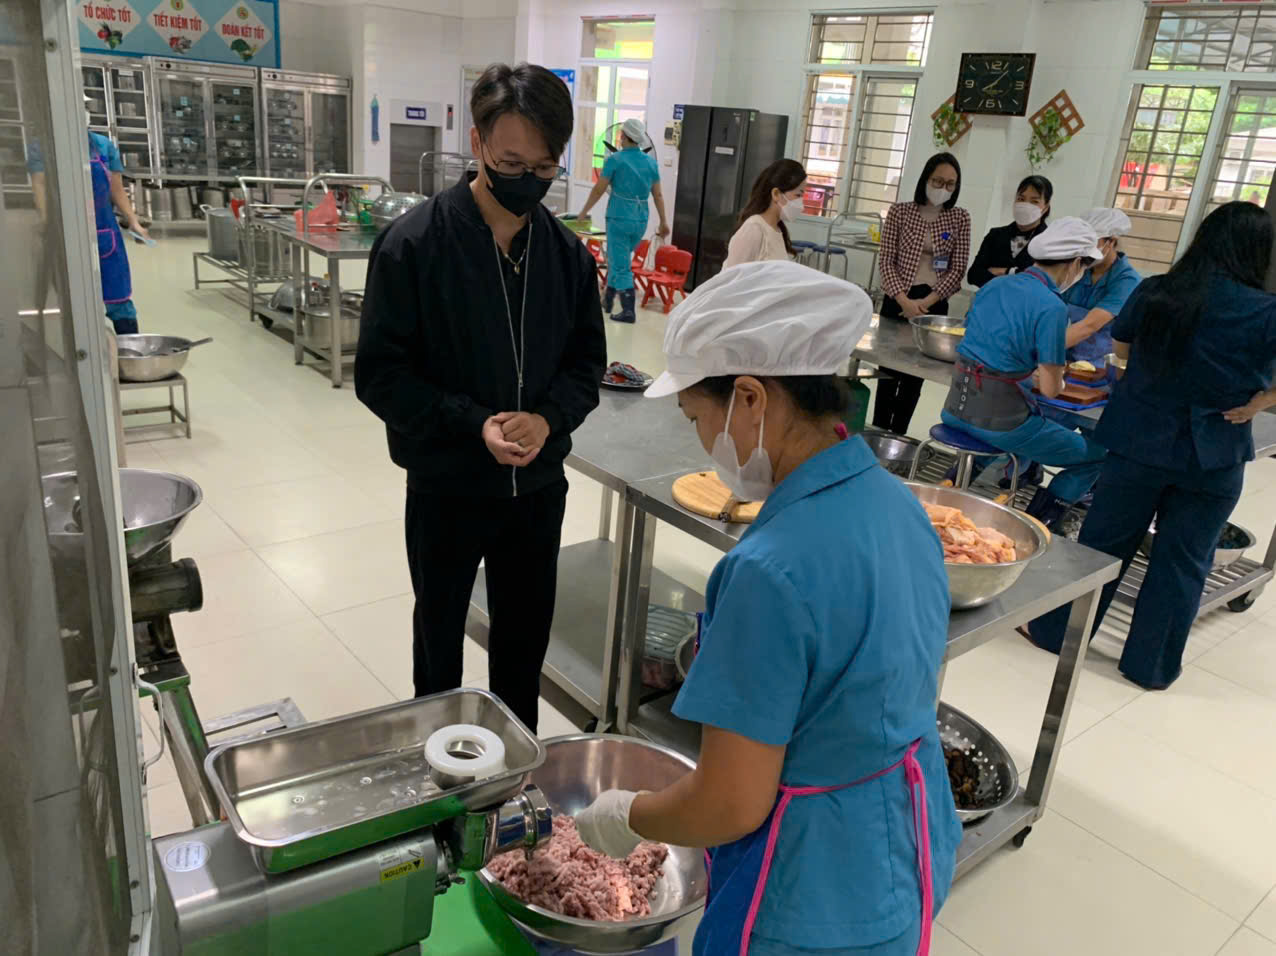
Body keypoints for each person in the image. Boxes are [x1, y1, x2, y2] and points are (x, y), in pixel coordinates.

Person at [574, 259, 962, 956]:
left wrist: (628, 816)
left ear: (750, 398)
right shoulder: (898, 504)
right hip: (906, 844)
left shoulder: (768, 571)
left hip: (810, 893)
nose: (701, 439)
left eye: (698, 416)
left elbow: (730, 802)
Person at [355, 63, 607, 732]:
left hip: (537, 492)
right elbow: (380, 374)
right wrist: (472, 424)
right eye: (511, 163)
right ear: (478, 143)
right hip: (447, 487)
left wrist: (547, 419)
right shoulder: (415, 246)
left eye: (544, 167)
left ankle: (513, 775)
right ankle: (440, 767)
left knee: (523, 648)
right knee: (439, 642)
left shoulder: (567, 258)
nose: (527, 180)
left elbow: (586, 365)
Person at [1027, 202, 1276, 690]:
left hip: (1140, 438)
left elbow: (1121, 348)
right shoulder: (1267, 311)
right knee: (1184, 561)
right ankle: (1150, 667)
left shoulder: (1158, 291)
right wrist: (1259, 402)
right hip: (1214, 449)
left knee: (1103, 545)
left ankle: (1060, 635)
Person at [940, 217, 1109, 529]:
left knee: (998, 434)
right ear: (1075, 263)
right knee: (1099, 456)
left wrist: (1022, 372)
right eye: (1084, 267)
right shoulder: (1052, 307)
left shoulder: (994, 286)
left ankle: (946, 490)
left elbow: (986, 350)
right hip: (1002, 425)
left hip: (953, 410)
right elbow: (1051, 389)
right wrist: (1054, 376)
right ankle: (1037, 523)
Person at [27, 102, 150, 334]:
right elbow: (40, 184)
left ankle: (129, 348)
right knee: (74, 299)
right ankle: (84, 350)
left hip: (104, 232)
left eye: (83, 106)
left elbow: (116, 188)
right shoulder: (42, 146)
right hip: (64, 232)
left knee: (119, 300)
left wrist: (133, 221)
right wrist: (45, 221)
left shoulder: (102, 145)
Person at [876, 152, 971, 434]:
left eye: (950, 184)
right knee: (887, 372)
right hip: (898, 299)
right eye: (938, 181)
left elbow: (957, 268)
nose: (943, 188)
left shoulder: (959, 218)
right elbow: (886, 260)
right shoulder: (900, 212)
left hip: (933, 304)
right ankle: (878, 433)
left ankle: (898, 436)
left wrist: (926, 303)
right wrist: (904, 300)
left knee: (914, 376)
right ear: (926, 179)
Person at [577, 118, 669, 323]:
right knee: (618, 259)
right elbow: (658, 195)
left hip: (619, 218)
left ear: (624, 136)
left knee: (621, 265)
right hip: (641, 220)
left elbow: (599, 189)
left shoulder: (615, 160)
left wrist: (583, 212)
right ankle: (608, 300)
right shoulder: (651, 163)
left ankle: (628, 310)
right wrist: (664, 221)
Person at [1060, 207, 1142, 366]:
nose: (1085, 248)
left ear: (1111, 242)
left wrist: (1044, 349)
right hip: (1067, 357)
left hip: (1101, 367)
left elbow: (1089, 326)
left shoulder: (1126, 281)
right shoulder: (1079, 270)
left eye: (1092, 241)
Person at [966, 174, 1052, 288]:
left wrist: (1005, 271)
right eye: (1021, 199)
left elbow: (1038, 283)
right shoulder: (995, 235)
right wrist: (1017, 274)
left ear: (1045, 207)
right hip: (989, 298)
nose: (1025, 205)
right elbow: (973, 275)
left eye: (1034, 201)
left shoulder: (1049, 242)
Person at [723, 159, 806, 269]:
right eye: (798, 195)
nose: (801, 204)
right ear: (776, 194)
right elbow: (733, 276)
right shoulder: (754, 228)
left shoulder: (777, 229)